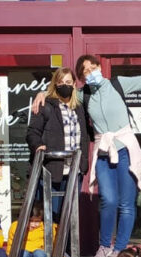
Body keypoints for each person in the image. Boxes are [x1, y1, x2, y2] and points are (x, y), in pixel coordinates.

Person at [34, 56, 141, 257]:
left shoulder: (117, 84)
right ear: (82, 77)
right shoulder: (83, 94)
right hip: (104, 152)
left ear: (100, 67)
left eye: (93, 67)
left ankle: (120, 248)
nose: (91, 72)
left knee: (126, 204)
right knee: (108, 199)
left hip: (125, 149)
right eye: (85, 71)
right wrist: (41, 94)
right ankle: (105, 245)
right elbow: (60, 96)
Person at [26, 67, 90, 219]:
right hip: (52, 169)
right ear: (55, 84)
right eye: (60, 82)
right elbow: (32, 132)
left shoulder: (79, 108)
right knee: (52, 216)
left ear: (74, 84)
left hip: (74, 170)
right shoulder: (45, 105)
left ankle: (67, 237)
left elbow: (85, 135)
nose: (64, 85)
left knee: (70, 216)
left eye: (68, 82)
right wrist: (38, 145)